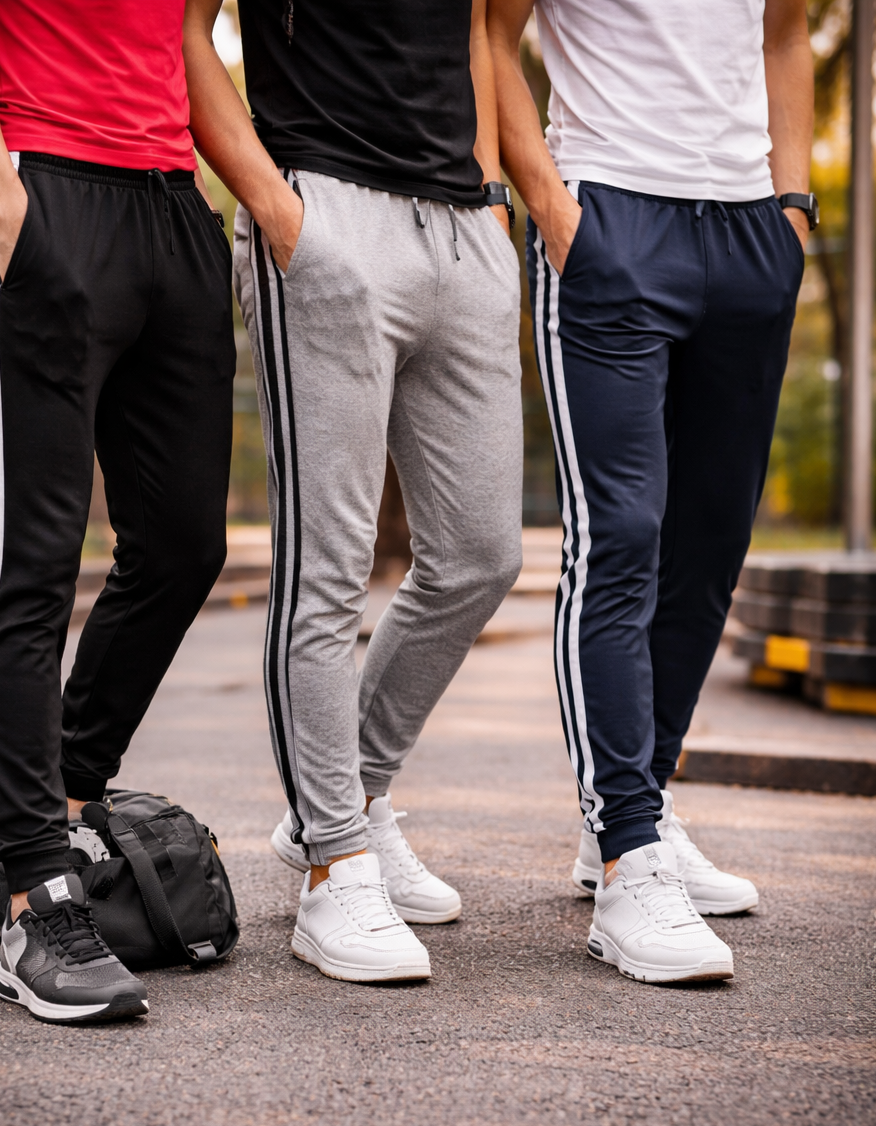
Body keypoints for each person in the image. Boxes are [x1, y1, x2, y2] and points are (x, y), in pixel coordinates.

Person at [0, 0, 236, 1022]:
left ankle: (73, 786)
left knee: (183, 545)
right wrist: (3, 204)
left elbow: (192, 23)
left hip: (171, 201)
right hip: (41, 181)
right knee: (29, 560)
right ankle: (35, 899)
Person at [187, 0, 524, 984]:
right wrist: (275, 207)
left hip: (461, 225)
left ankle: (344, 801)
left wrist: (491, 195)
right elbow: (182, 32)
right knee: (326, 567)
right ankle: (335, 865)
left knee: (477, 555)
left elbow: (477, 28)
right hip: (322, 206)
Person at [488, 0, 813, 983]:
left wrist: (792, 208)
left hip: (749, 231)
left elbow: (786, 33)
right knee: (619, 534)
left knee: (711, 540)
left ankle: (642, 807)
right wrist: (551, 206)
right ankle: (628, 853)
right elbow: (490, 36)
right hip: (612, 215)